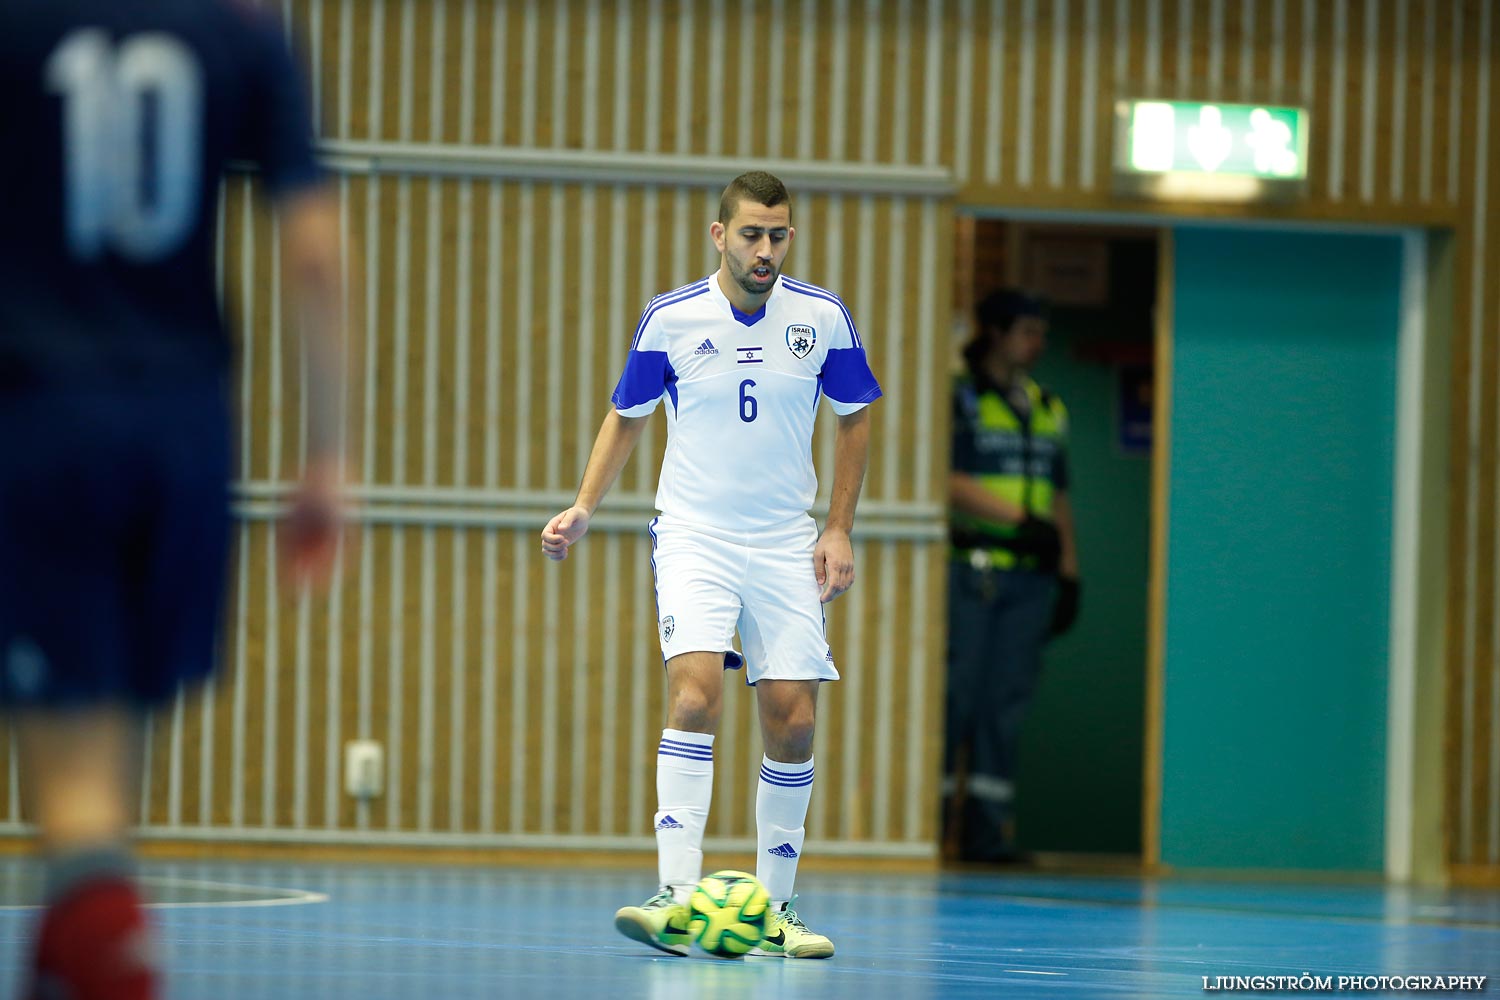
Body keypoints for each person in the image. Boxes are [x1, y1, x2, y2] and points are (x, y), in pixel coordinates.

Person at [0, 3, 343, 997]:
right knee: (106, 777)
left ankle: (115, 960)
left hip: (42, 409)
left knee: (72, 786)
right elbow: (315, 254)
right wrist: (327, 455)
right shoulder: (240, 35)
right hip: (185, 429)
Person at [542, 170, 880, 960]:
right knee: (694, 694)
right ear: (719, 235)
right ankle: (677, 895)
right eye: (753, 234)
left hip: (784, 539)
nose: (766, 250)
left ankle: (777, 911)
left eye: (779, 235)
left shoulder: (822, 318)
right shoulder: (672, 318)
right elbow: (625, 418)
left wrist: (837, 528)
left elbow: (855, 420)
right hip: (695, 533)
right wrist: (584, 506)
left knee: (793, 719)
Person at [942, 288, 1080, 864]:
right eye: (1027, 330)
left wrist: (1070, 569)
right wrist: (1020, 521)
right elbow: (943, 478)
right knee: (957, 699)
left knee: (1006, 705)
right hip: (974, 571)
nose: (1038, 343)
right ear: (996, 332)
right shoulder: (961, 400)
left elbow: (1061, 495)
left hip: (1030, 580)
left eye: (1041, 332)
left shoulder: (1049, 407)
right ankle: (935, 835)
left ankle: (986, 836)